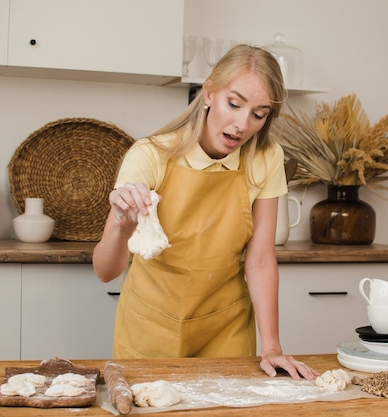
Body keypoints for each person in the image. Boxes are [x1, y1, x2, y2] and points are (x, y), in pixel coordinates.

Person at [93, 44, 318, 381]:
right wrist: (121, 227)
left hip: (224, 329)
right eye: (234, 104)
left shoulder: (265, 158)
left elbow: (259, 260)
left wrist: (271, 346)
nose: (242, 124)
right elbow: (105, 271)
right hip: (150, 329)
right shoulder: (151, 154)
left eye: (258, 114)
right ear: (209, 92)